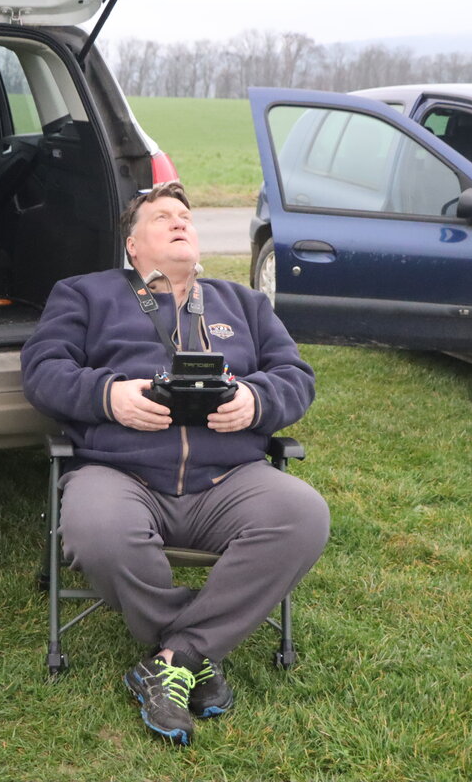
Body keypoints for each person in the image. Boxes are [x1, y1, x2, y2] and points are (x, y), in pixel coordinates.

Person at [20, 181, 330, 746]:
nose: (180, 221)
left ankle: (174, 658)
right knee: (97, 529)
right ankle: (196, 653)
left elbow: (296, 377)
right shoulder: (85, 295)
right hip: (121, 473)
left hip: (230, 478)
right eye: (162, 217)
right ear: (132, 245)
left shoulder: (244, 304)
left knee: (304, 514)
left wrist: (256, 401)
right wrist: (108, 395)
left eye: (185, 216)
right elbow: (42, 371)